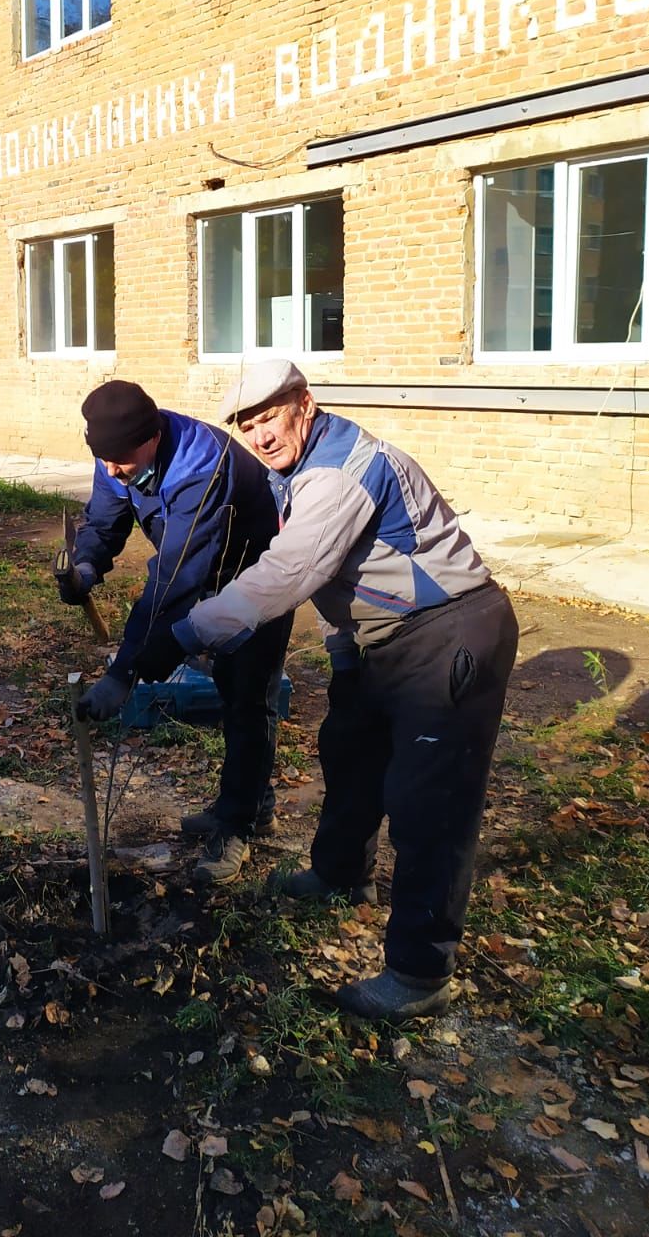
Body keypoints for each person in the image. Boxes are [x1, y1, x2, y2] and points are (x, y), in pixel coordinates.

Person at [134, 359, 519, 1019]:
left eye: (268, 418)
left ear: (303, 405)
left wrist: (182, 633)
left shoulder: (341, 471)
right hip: (381, 639)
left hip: (449, 633)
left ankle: (421, 974)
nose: (258, 435)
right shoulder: (299, 468)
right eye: (246, 425)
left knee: (428, 802)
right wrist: (345, 660)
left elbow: (286, 575)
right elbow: (338, 582)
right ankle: (343, 874)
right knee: (349, 753)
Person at [58, 379, 293, 886]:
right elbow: (104, 522)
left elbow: (172, 581)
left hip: (258, 579)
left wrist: (124, 673)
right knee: (234, 692)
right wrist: (86, 568)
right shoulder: (117, 456)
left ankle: (238, 825)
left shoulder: (201, 468)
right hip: (205, 573)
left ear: (152, 437)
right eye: (103, 460)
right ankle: (252, 804)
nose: (111, 470)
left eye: (120, 459)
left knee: (249, 696)